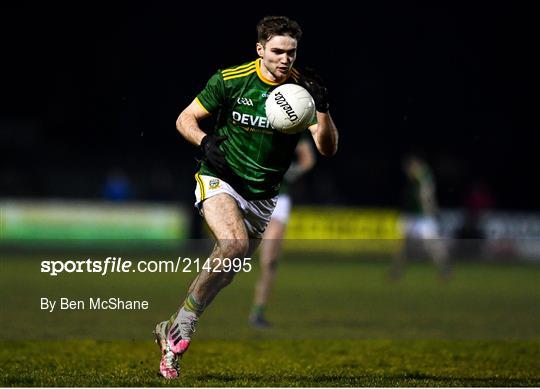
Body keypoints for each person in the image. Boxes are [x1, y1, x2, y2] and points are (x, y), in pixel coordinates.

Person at [154, 16, 339, 379]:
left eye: (291, 52)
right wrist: (204, 141)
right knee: (234, 244)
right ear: (260, 50)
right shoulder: (231, 80)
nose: (285, 59)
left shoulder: (303, 91)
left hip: (263, 198)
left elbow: (327, 148)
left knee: (226, 272)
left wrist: (324, 109)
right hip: (220, 179)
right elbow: (184, 119)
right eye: (277, 51)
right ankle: (183, 330)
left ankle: (173, 325)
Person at [249, 137, 315, 328]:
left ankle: (257, 311)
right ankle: (195, 306)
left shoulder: (295, 124)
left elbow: (308, 159)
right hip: (250, 196)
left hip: (278, 202)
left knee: (269, 261)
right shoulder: (253, 117)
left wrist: (291, 172)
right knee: (232, 253)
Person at [390, 153, 451, 281]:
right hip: (412, 216)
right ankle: (397, 272)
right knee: (404, 246)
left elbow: (426, 196)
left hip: (423, 218)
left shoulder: (423, 177)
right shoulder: (416, 180)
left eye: (409, 167)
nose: (407, 171)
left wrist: (430, 209)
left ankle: (445, 269)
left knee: (431, 246)